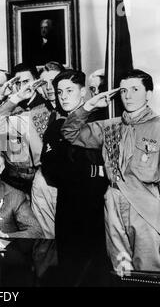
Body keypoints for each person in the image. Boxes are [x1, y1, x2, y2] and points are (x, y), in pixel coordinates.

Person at [61, 69, 160, 272]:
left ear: (149, 94)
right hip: (113, 202)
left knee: (150, 270)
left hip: (146, 206)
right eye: (124, 90)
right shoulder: (110, 127)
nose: (128, 95)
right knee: (120, 269)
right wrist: (89, 106)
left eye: (135, 89)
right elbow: (69, 132)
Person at [41, 70, 110, 285]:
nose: (63, 96)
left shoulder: (100, 121)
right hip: (68, 205)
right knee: (69, 270)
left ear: (83, 92)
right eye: (60, 91)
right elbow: (51, 170)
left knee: (97, 269)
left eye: (69, 90)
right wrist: (80, 172)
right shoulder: (54, 127)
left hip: (99, 206)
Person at [0, 63, 58, 239]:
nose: (23, 87)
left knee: (40, 233)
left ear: (37, 82)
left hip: (40, 180)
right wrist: (3, 99)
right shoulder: (11, 107)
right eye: (18, 83)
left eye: (27, 81)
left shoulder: (47, 108)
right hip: (13, 181)